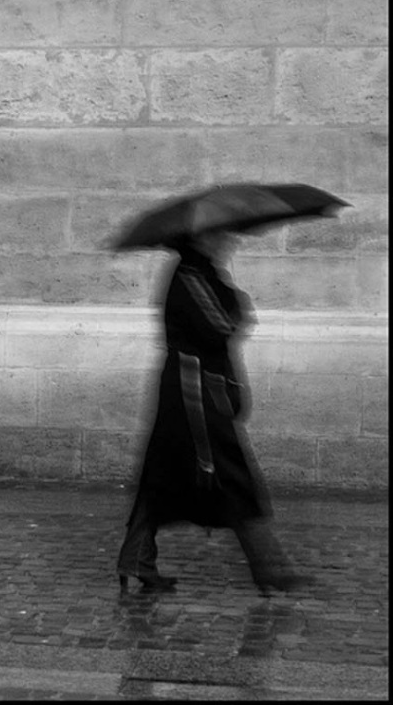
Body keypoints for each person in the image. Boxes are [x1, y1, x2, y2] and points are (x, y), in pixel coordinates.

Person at [117, 230, 310, 595]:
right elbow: (219, 326)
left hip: (195, 388)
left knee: (163, 472)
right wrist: (238, 303)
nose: (229, 242)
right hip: (195, 393)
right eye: (221, 238)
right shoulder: (192, 276)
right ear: (202, 240)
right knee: (232, 476)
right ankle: (268, 567)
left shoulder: (202, 274)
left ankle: (136, 558)